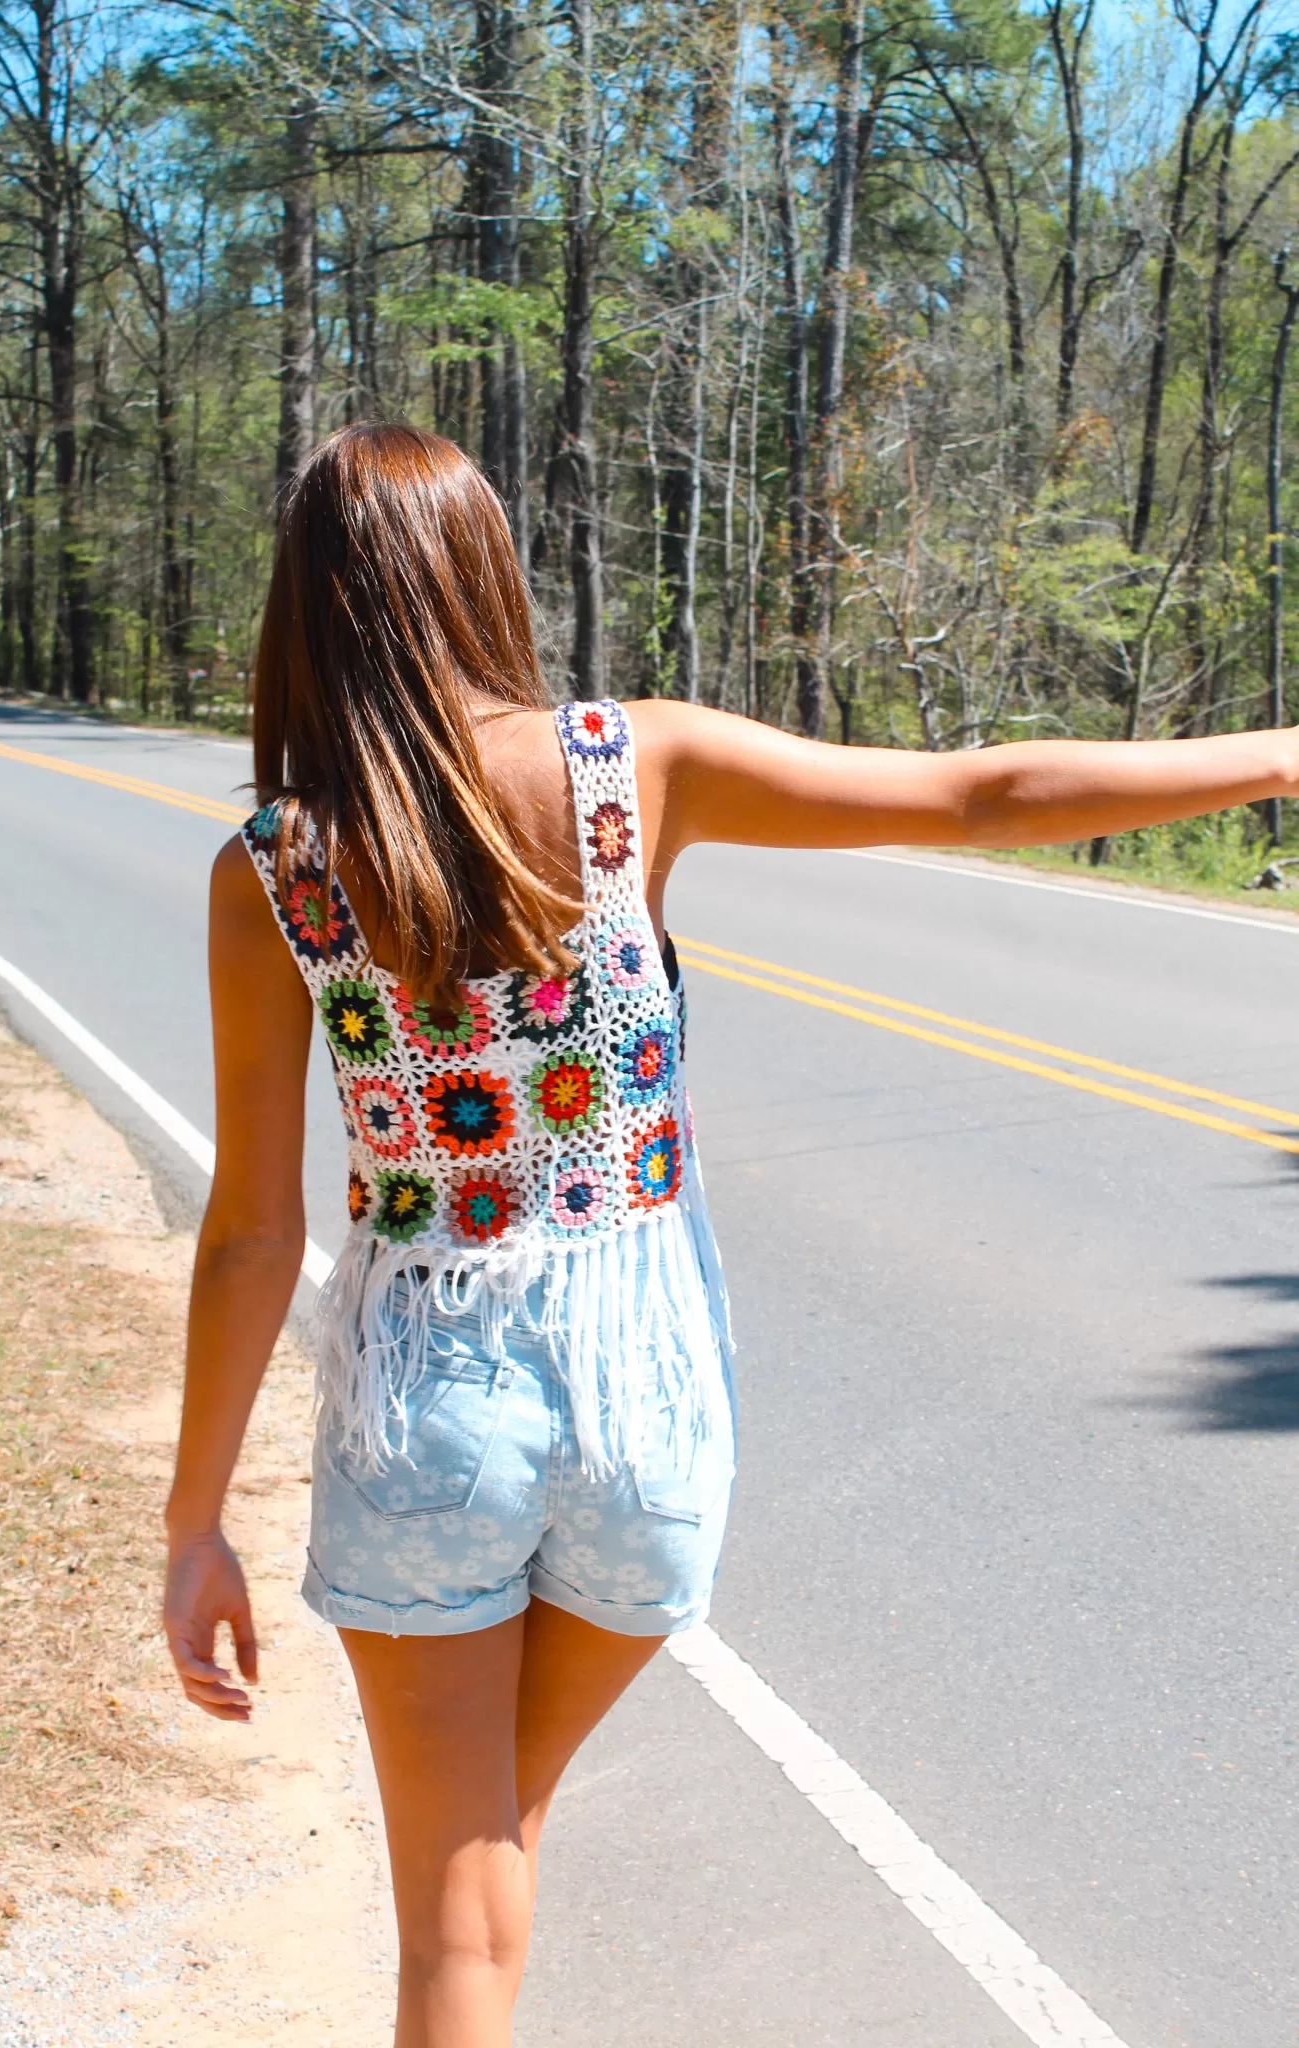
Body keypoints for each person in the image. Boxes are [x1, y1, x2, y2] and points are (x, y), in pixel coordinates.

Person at [163, 422, 1299, 2048]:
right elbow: (978, 792)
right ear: (487, 580)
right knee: (498, 1856)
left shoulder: (275, 868)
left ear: (308, 613)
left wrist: (195, 1523)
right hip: (647, 1415)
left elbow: (249, 1238)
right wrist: (1276, 756)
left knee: (453, 1929)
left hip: (430, 1418)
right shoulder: (640, 766)